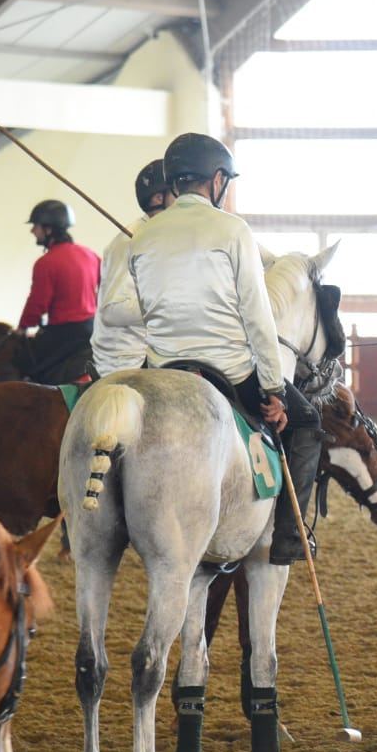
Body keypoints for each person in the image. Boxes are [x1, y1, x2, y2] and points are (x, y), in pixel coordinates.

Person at [100, 132, 322, 565]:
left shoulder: (140, 236)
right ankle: (289, 540)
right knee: (309, 423)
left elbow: (148, 307)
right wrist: (274, 389)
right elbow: (258, 317)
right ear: (217, 179)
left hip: (163, 369)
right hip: (230, 369)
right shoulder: (233, 229)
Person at [92, 159, 173, 379]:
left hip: (158, 354)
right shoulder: (128, 241)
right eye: (177, 193)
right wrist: (171, 307)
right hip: (126, 361)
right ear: (158, 198)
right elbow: (112, 310)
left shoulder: (164, 237)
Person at [18, 198, 102, 385]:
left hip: (64, 333)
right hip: (92, 328)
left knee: (21, 364)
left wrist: (23, 326)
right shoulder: (90, 254)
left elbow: (38, 302)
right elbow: (105, 288)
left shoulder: (46, 263)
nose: (33, 231)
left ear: (48, 229)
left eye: (36, 226)